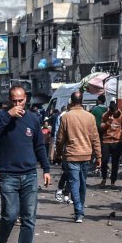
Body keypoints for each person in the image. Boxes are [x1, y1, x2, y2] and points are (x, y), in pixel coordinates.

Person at [0, 83, 52, 243]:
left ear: (26, 99)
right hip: (8, 175)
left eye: (21, 100)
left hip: (29, 175)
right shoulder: (1, 116)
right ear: (9, 100)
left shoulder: (33, 119)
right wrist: (8, 115)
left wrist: (46, 169)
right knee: (9, 215)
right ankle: (0, 242)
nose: (18, 104)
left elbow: (39, 145)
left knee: (29, 217)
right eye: (14, 101)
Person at [52, 91, 100, 223]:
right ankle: (80, 209)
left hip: (71, 155)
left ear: (71, 102)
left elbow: (60, 138)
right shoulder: (90, 117)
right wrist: (99, 156)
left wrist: (58, 153)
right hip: (86, 155)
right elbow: (95, 138)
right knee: (82, 183)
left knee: (74, 182)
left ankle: (78, 211)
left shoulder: (66, 117)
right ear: (82, 101)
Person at [99, 102, 122, 186]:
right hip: (106, 141)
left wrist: (121, 138)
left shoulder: (121, 116)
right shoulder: (105, 115)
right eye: (113, 112)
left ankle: (113, 181)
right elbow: (101, 128)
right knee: (104, 161)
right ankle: (104, 178)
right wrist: (108, 122)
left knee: (115, 162)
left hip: (117, 142)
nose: (115, 114)